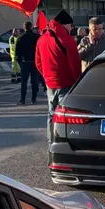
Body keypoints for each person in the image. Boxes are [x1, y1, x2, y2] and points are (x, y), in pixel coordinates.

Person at [35, 10, 81, 142]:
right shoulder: (67, 40)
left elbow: (38, 62)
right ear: (64, 25)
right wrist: (77, 81)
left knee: (51, 114)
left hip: (50, 83)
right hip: (66, 83)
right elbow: (74, 64)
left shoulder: (41, 39)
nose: (72, 28)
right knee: (65, 115)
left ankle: (52, 140)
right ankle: (63, 142)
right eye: (70, 25)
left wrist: (47, 76)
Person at [16, 20, 41, 105]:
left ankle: (22, 99)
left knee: (24, 82)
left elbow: (17, 53)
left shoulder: (20, 37)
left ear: (24, 28)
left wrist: (20, 62)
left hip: (24, 62)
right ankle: (34, 98)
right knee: (34, 81)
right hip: (34, 62)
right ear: (31, 27)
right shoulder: (37, 37)